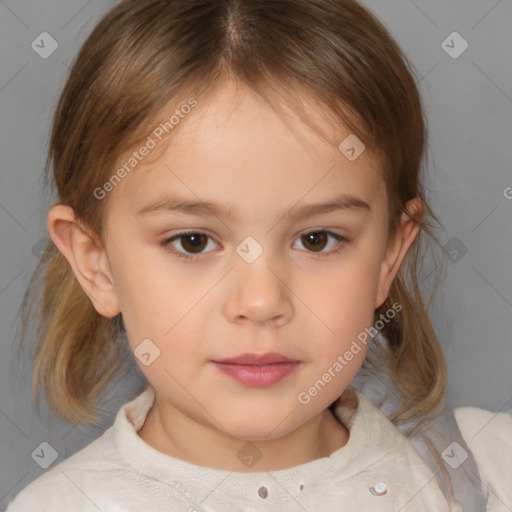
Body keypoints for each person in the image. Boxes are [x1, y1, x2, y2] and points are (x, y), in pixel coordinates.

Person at [6, 0, 511, 510]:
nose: (262, 301)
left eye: (317, 239)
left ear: (389, 255)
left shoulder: (487, 473)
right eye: (193, 242)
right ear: (97, 264)